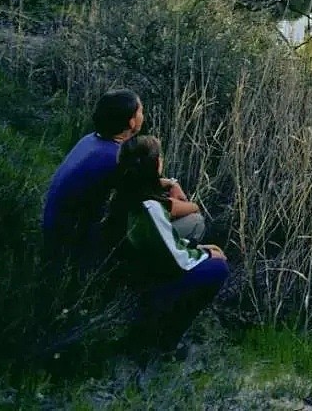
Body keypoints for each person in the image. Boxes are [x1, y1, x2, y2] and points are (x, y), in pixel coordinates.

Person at [43, 89, 206, 268]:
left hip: (57, 233)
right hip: (77, 247)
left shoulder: (92, 141)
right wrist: (194, 206)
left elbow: (135, 186)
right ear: (131, 122)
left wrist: (169, 183)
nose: (143, 115)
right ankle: (150, 276)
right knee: (195, 221)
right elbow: (153, 205)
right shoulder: (114, 159)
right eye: (141, 111)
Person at [104, 134, 228, 353]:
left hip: (130, 260)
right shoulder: (150, 209)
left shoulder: (125, 190)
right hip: (144, 271)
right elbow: (177, 259)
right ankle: (166, 336)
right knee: (218, 268)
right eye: (159, 157)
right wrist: (207, 253)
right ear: (153, 165)